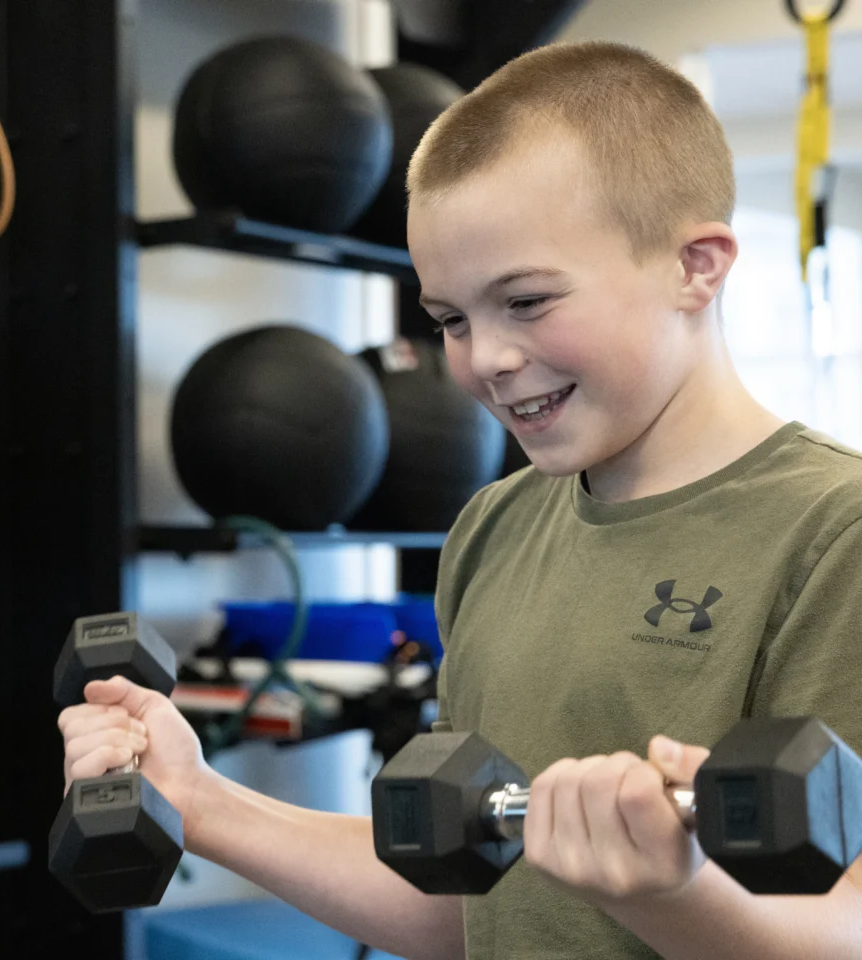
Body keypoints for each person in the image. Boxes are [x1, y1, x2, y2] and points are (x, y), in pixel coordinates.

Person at [59, 41, 862, 960]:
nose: (484, 359)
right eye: (449, 319)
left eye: (526, 301)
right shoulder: (495, 527)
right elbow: (465, 891)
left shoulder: (836, 535)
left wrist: (670, 893)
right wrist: (198, 802)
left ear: (697, 266)